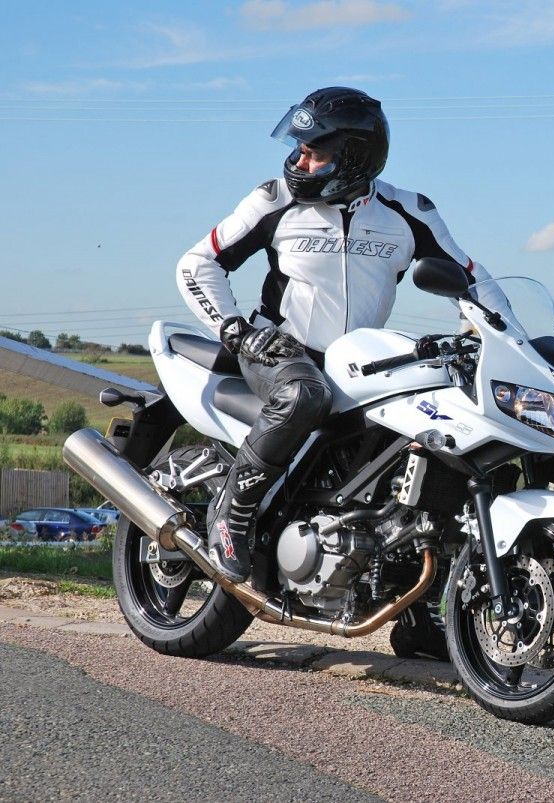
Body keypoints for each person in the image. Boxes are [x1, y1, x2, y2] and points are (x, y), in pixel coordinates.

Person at [177, 87, 484, 658]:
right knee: (303, 395)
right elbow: (198, 264)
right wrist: (235, 327)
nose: (299, 161)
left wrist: (505, 336)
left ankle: (417, 615)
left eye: (314, 151)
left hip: (365, 363)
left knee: (431, 450)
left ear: (355, 156)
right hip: (279, 350)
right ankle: (230, 520)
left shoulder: (407, 213)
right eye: (296, 148)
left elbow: (473, 281)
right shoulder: (272, 201)